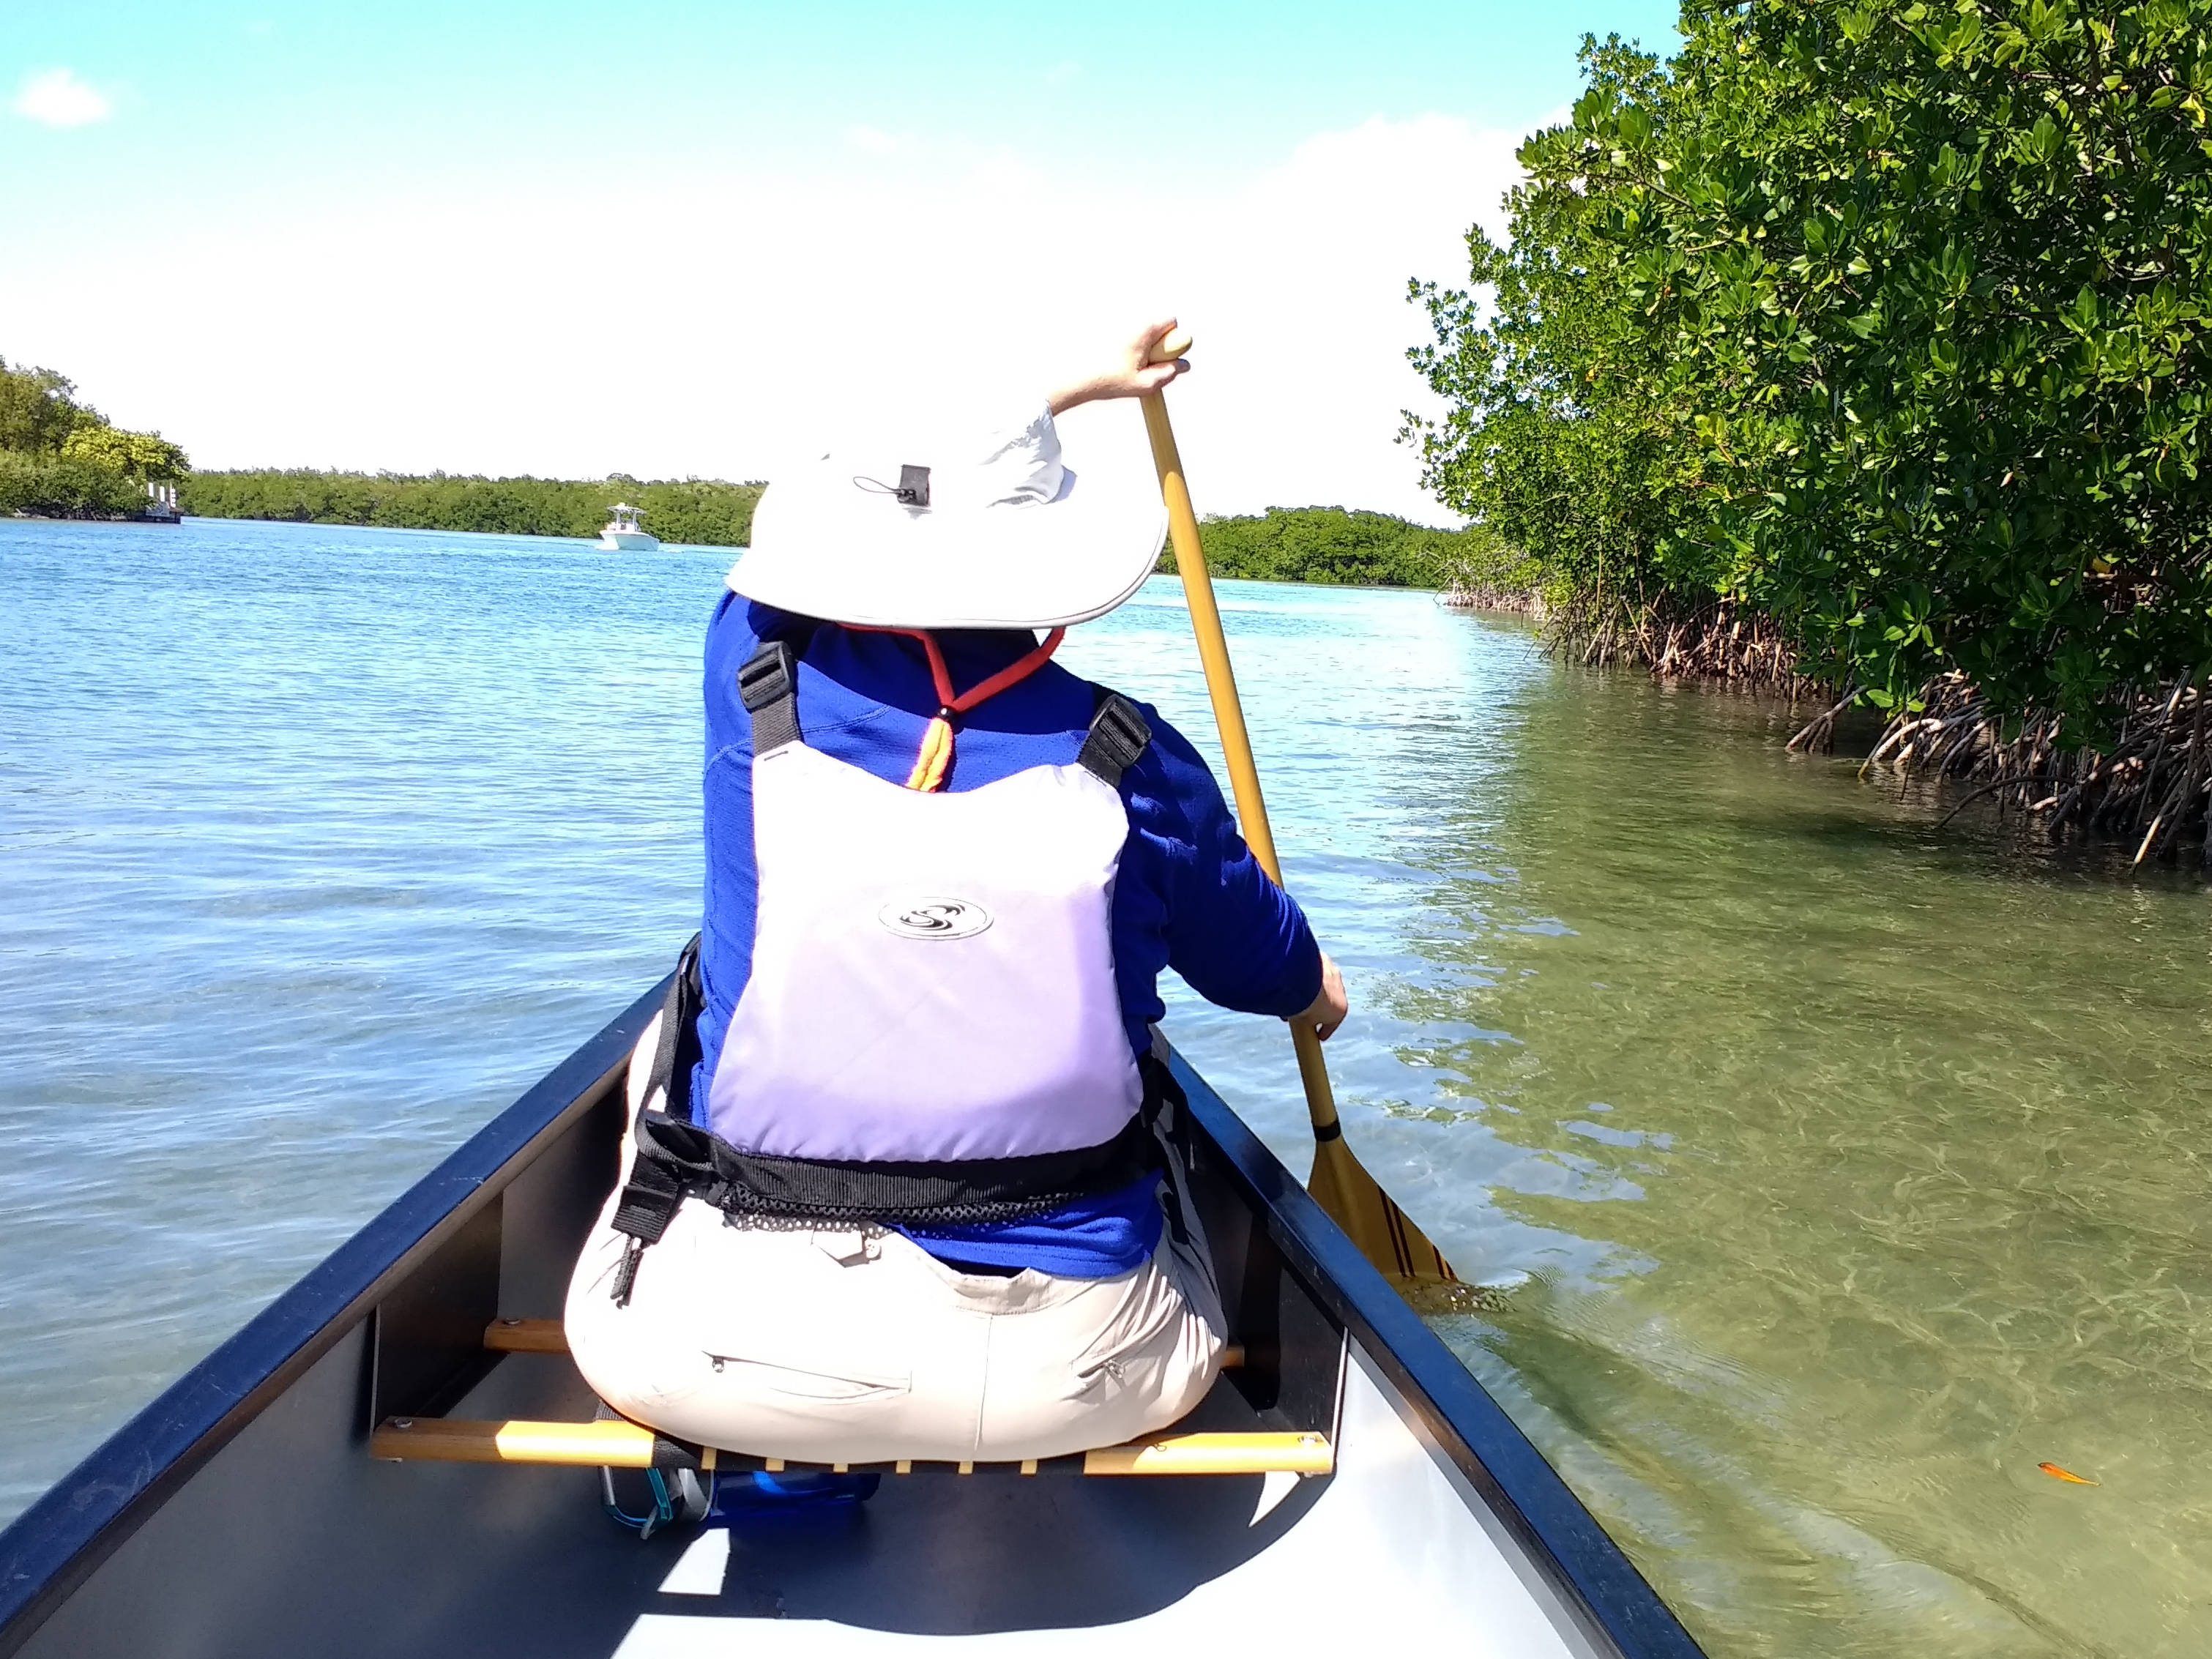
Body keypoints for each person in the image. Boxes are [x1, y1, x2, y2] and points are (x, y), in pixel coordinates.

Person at [565, 321, 1348, 1468]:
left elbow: (851, 519)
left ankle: (778, 1478)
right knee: (1149, 1078)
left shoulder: (746, 679)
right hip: (1070, 1378)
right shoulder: (1140, 760)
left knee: (668, 1030)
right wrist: (1313, 991)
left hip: (724, 1359)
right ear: (1047, 565)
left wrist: (1064, 393)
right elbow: (1262, 968)